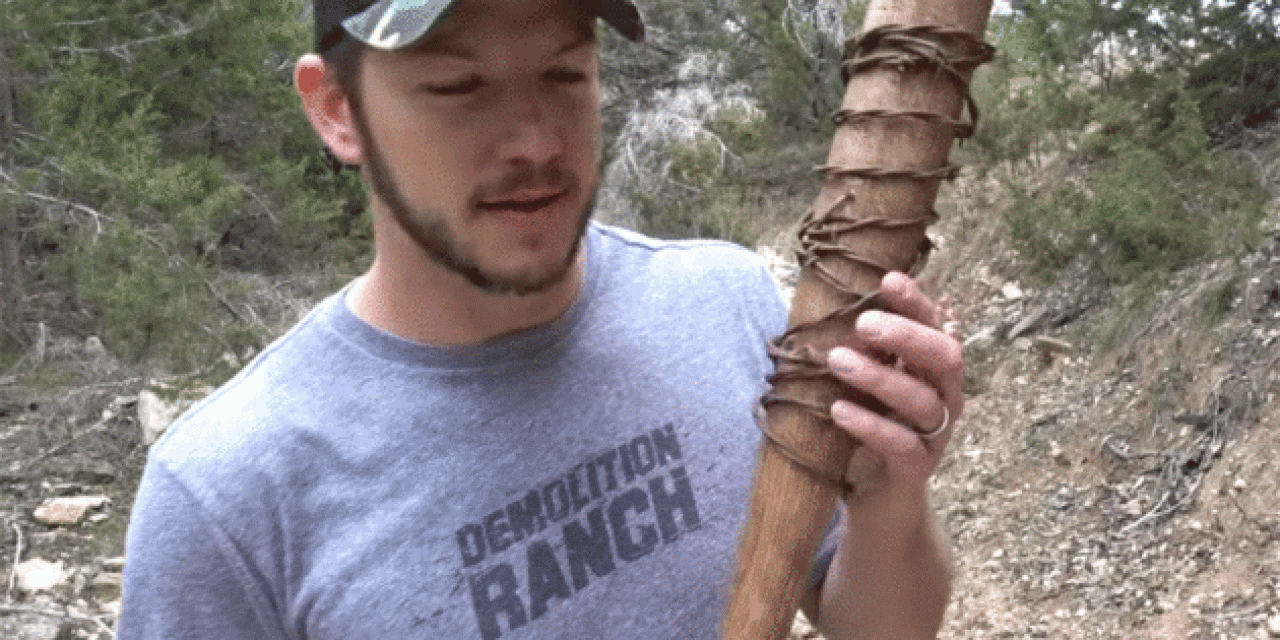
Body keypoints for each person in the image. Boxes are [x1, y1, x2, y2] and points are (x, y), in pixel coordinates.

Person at [118, 0, 965, 638]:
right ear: (336, 108)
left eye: (565, 73)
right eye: (459, 84)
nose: (533, 140)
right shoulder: (227, 498)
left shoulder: (728, 304)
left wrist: (890, 500)